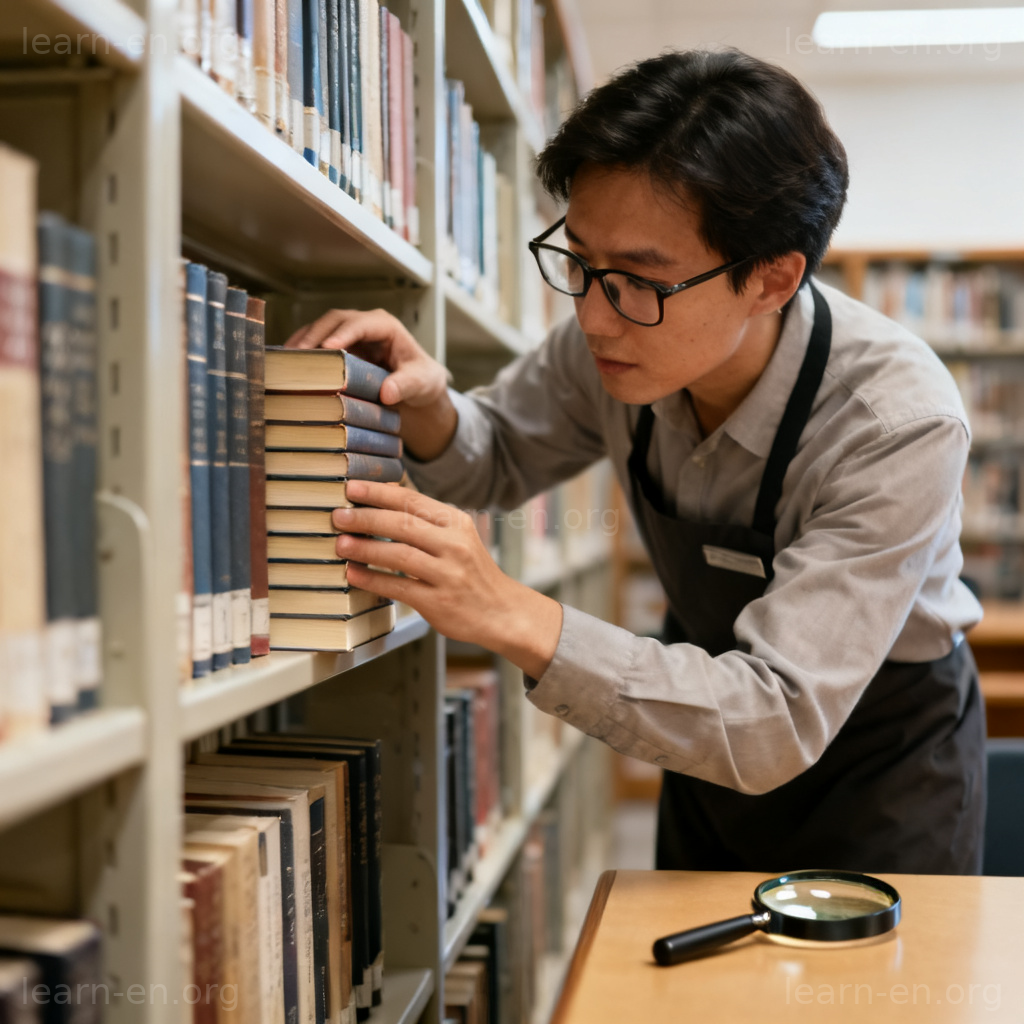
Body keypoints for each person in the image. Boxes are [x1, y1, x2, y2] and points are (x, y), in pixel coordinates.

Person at [286, 49, 986, 874]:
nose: (593, 317)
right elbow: (496, 457)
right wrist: (427, 404)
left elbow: (777, 718)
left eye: (640, 280)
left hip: (880, 760)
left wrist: (510, 613)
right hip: (699, 720)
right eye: (580, 261)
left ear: (771, 280)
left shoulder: (896, 422)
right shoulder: (611, 343)